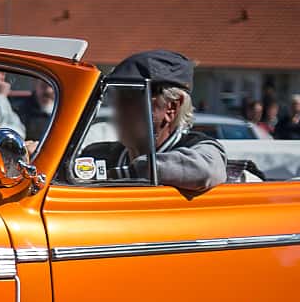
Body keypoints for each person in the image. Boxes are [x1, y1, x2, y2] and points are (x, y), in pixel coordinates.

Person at [79, 49, 227, 197]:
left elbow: (206, 171)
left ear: (171, 107)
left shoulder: (200, 148)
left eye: (131, 95)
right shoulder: (99, 154)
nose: (118, 106)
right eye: (115, 94)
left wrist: (126, 173)